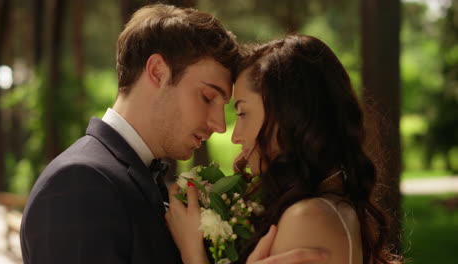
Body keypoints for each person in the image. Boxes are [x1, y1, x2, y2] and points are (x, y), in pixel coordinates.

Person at [20, 5, 327, 264]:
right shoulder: (78, 185)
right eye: (207, 97)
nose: (220, 125)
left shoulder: (136, 179)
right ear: (157, 71)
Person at [166, 34, 403, 264]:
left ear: (288, 115)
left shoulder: (306, 218)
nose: (237, 136)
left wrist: (193, 253)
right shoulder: (330, 204)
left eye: (243, 113)